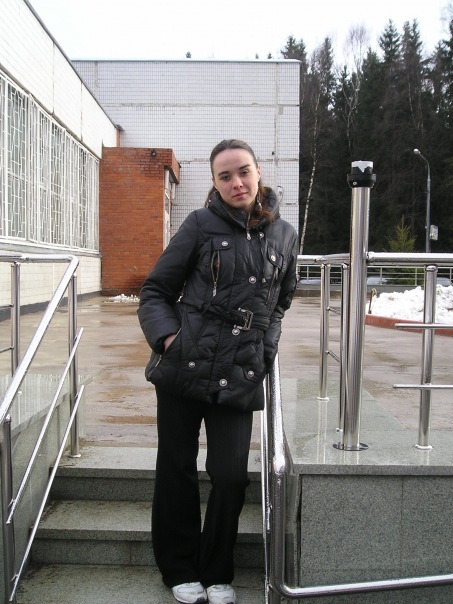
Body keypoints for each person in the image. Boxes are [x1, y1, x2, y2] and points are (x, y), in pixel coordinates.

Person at [138, 139, 298, 604]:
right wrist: (169, 339)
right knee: (177, 469)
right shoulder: (199, 224)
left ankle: (216, 570)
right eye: (225, 176)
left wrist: (265, 350)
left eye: (243, 171)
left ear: (258, 171)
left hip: (240, 370)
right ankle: (179, 568)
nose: (237, 182)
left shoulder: (285, 235)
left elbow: (281, 302)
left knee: (230, 476)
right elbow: (155, 291)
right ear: (214, 182)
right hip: (185, 366)